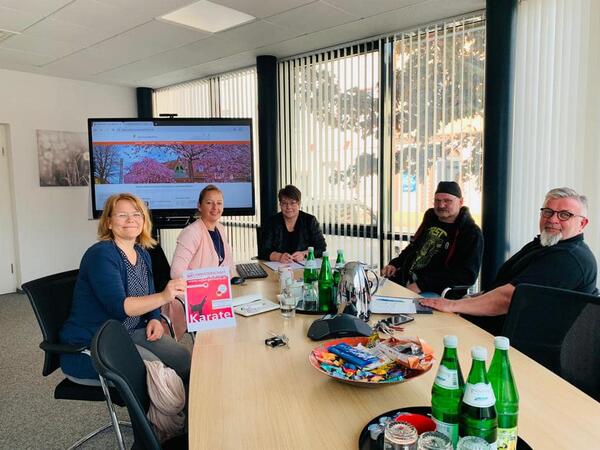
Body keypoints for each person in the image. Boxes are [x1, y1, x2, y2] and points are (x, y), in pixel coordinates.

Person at [421, 187, 598, 333]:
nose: (552, 219)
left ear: (582, 224)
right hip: (488, 329)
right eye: (548, 212)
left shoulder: (568, 259)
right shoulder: (545, 244)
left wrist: (454, 305)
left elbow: (509, 298)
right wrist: (468, 300)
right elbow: (502, 285)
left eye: (564, 215)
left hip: (514, 348)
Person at [59, 193, 191, 385]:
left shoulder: (142, 253)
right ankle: (159, 414)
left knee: (183, 358)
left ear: (143, 220)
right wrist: (164, 297)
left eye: (137, 214)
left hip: (130, 331)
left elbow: (149, 292)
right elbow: (120, 307)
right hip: (95, 342)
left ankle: (183, 407)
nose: (131, 220)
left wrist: (154, 318)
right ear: (109, 222)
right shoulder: (101, 254)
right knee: (157, 374)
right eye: (122, 215)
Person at [381, 181, 483, 296]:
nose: (441, 205)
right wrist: (394, 264)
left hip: (438, 292)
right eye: (437, 201)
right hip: (407, 281)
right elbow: (413, 249)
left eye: (447, 201)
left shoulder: (470, 233)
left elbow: (466, 275)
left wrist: (421, 285)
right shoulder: (430, 221)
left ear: (460, 202)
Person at [170, 184, 233, 279]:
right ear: (199, 206)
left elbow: (228, 263)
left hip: (218, 290)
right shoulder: (191, 233)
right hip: (196, 291)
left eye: (219, 203)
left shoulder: (220, 228)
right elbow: (176, 273)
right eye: (209, 203)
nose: (215, 207)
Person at [258, 184, 327, 263]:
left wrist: (304, 254)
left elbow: (321, 247)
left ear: (299, 204)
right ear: (280, 204)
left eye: (292, 203)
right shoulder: (272, 222)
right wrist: (279, 256)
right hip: (279, 267)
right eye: (284, 203)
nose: (288, 207)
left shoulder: (310, 221)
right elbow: (263, 250)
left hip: (304, 267)